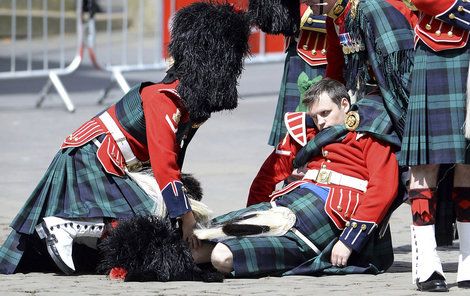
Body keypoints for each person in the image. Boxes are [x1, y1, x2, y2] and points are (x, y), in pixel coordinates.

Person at [0, 2, 251, 275]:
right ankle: (68, 225)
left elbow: (174, 161)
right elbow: (164, 164)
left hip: (110, 159)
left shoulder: (188, 105)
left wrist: (182, 206)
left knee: (164, 212)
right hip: (91, 159)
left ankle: (88, 236)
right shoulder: (164, 100)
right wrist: (186, 217)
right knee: (148, 211)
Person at [191, 78, 399, 277]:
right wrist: (252, 213)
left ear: (344, 104)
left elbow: (383, 188)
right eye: (316, 116)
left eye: (326, 113)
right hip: (284, 205)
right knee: (195, 237)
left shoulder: (368, 135)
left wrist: (349, 241)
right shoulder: (305, 134)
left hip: (322, 223)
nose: (321, 122)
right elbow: (267, 177)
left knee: (222, 257)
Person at [399, 0, 470, 291]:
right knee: (425, 161)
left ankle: (468, 258)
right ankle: (427, 262)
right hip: (440, 46)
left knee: (468, 160)